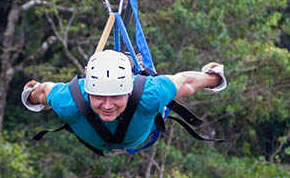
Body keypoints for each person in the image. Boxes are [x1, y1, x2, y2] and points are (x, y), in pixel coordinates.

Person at [22, 50, 226, 153]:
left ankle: (135, 67)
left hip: (139, 123)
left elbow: (186, 83)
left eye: (116, 97)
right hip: (128, 132)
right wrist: (31, 94)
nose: (108, 106)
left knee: (153, 94)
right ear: (88, 91)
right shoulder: (70, 102)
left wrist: (213, 78)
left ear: (128, 92)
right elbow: (43, 91)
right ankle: (133, 64)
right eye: (99, 97)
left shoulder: (149, 95)